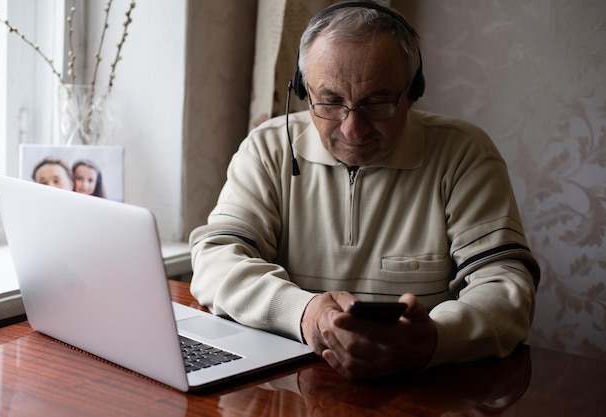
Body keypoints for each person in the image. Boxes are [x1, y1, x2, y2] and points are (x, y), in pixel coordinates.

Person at [189, 1, 540, 380]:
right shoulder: (267, 148)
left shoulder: (464, 154)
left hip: (424, 389)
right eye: (330, 101)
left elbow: (507, 286)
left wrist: (437, 338)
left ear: (413, 92)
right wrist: (304, 312)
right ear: (303, 91)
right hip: (291, 387)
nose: (353, 129)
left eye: (377, 102)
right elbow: (216, 259)